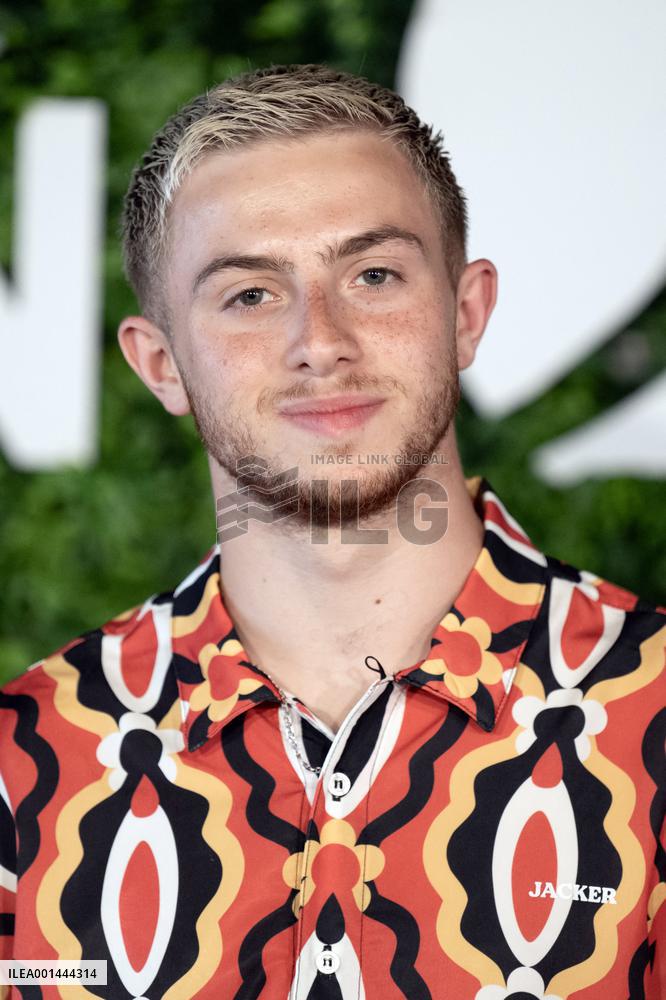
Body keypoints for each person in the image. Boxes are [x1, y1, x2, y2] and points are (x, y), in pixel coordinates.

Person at [0, 63, 663, 1000]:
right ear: (161, 366)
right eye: (250, 295)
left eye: (374, 274)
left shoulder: (657, 714)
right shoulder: (23, 758)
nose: (321, 338)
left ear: (466, 313)